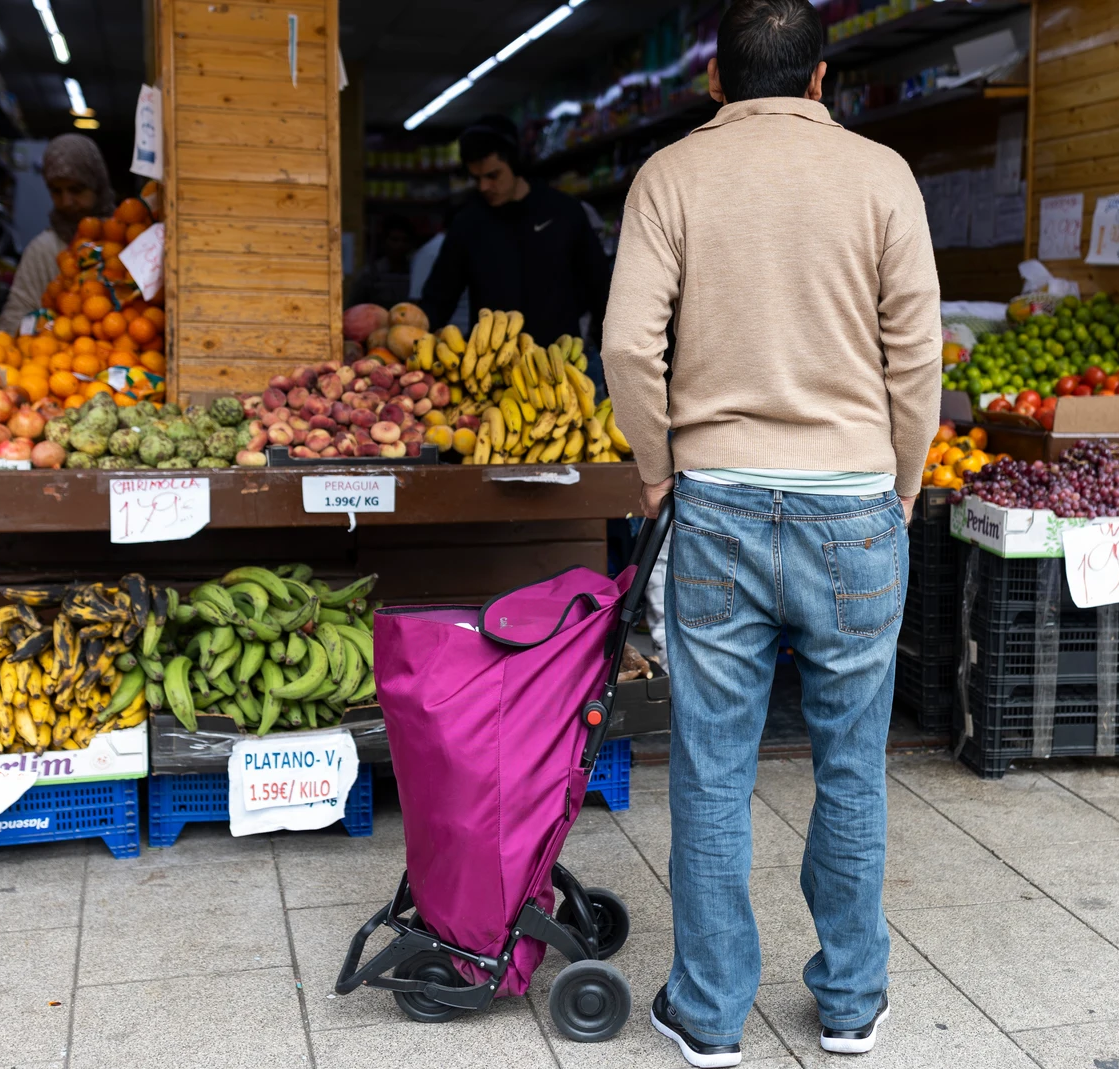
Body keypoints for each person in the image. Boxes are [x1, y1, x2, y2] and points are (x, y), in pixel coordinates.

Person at [600, 1, 940, 1065]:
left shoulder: (670, 176)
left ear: (714, 81)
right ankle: (850, 1003)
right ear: (820, 77)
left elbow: (626, 346)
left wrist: (656, 466)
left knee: (711, 765)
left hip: (718, 505)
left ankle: (708, 1012)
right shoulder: (881, 175)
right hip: (855, 504)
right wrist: (903, 481)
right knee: (852, 763)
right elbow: (917, 355)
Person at [418, 115, 610, 351]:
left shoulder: (563, 212)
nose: (484, 187)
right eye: (476, 178)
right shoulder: (468, 223)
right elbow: (438, 299)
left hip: (560, 361)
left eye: (493, 175)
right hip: (492, 363)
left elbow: (600, 288)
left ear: (515, 163)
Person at [0, 134, 117, 332]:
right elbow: (12, 320)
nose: (66, 201)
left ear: (97, 186)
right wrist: (46, 330)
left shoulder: (125, 241)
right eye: (56, 191)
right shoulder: (43, 250)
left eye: (76, 190)